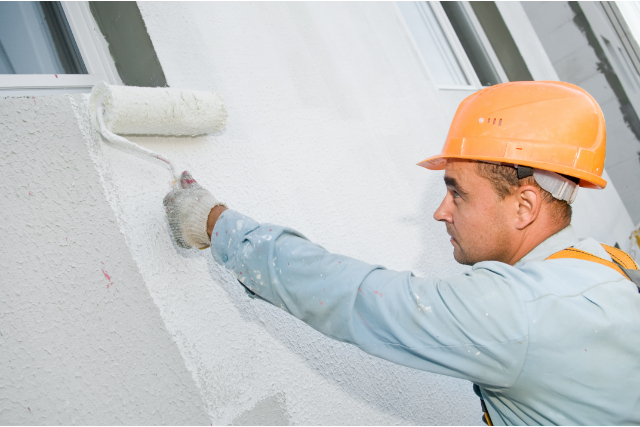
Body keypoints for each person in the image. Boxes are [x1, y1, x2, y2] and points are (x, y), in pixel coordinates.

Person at [163, 81, 640, 426]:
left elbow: (357, 297)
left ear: (524, 205)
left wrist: (215, 224)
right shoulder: (606, 267)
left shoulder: (516, 313)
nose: (440, 212)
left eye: (458, 194)